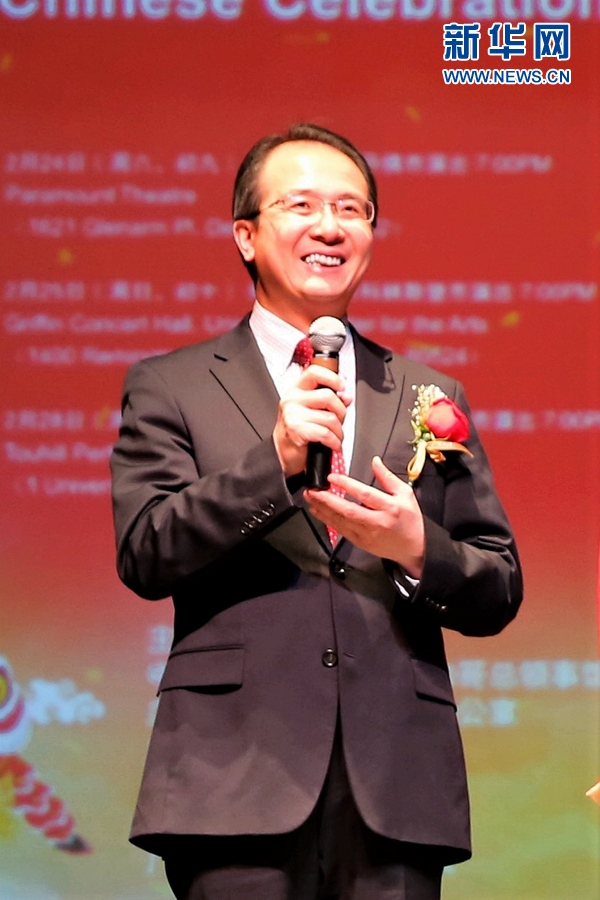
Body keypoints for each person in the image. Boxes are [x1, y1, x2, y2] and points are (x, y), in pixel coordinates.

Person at [110, 124, 523, 900]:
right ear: (246, 235)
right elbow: (146, 551)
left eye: (351, 209)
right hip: (233, 779)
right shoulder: (172, 385)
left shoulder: (429, 395)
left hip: (396, 786)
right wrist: (275, 464)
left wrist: (415, 548)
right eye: (300, 205)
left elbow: (497, 585)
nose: (329, 227)